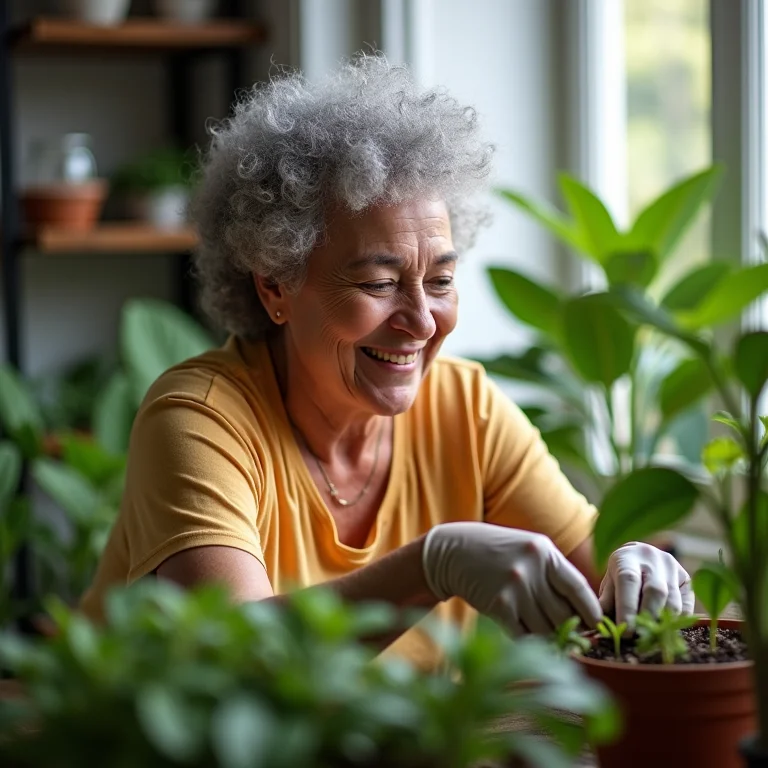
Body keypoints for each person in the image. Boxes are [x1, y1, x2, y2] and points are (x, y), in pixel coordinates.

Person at [80, 53, 694, 670]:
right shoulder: (200, 420)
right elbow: (233, 660)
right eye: (379, 284)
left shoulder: (466, 409)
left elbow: (599, 585)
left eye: (442, 279)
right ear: (275, 287)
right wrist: (431, 565)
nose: (423, 322)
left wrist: (634, 566)